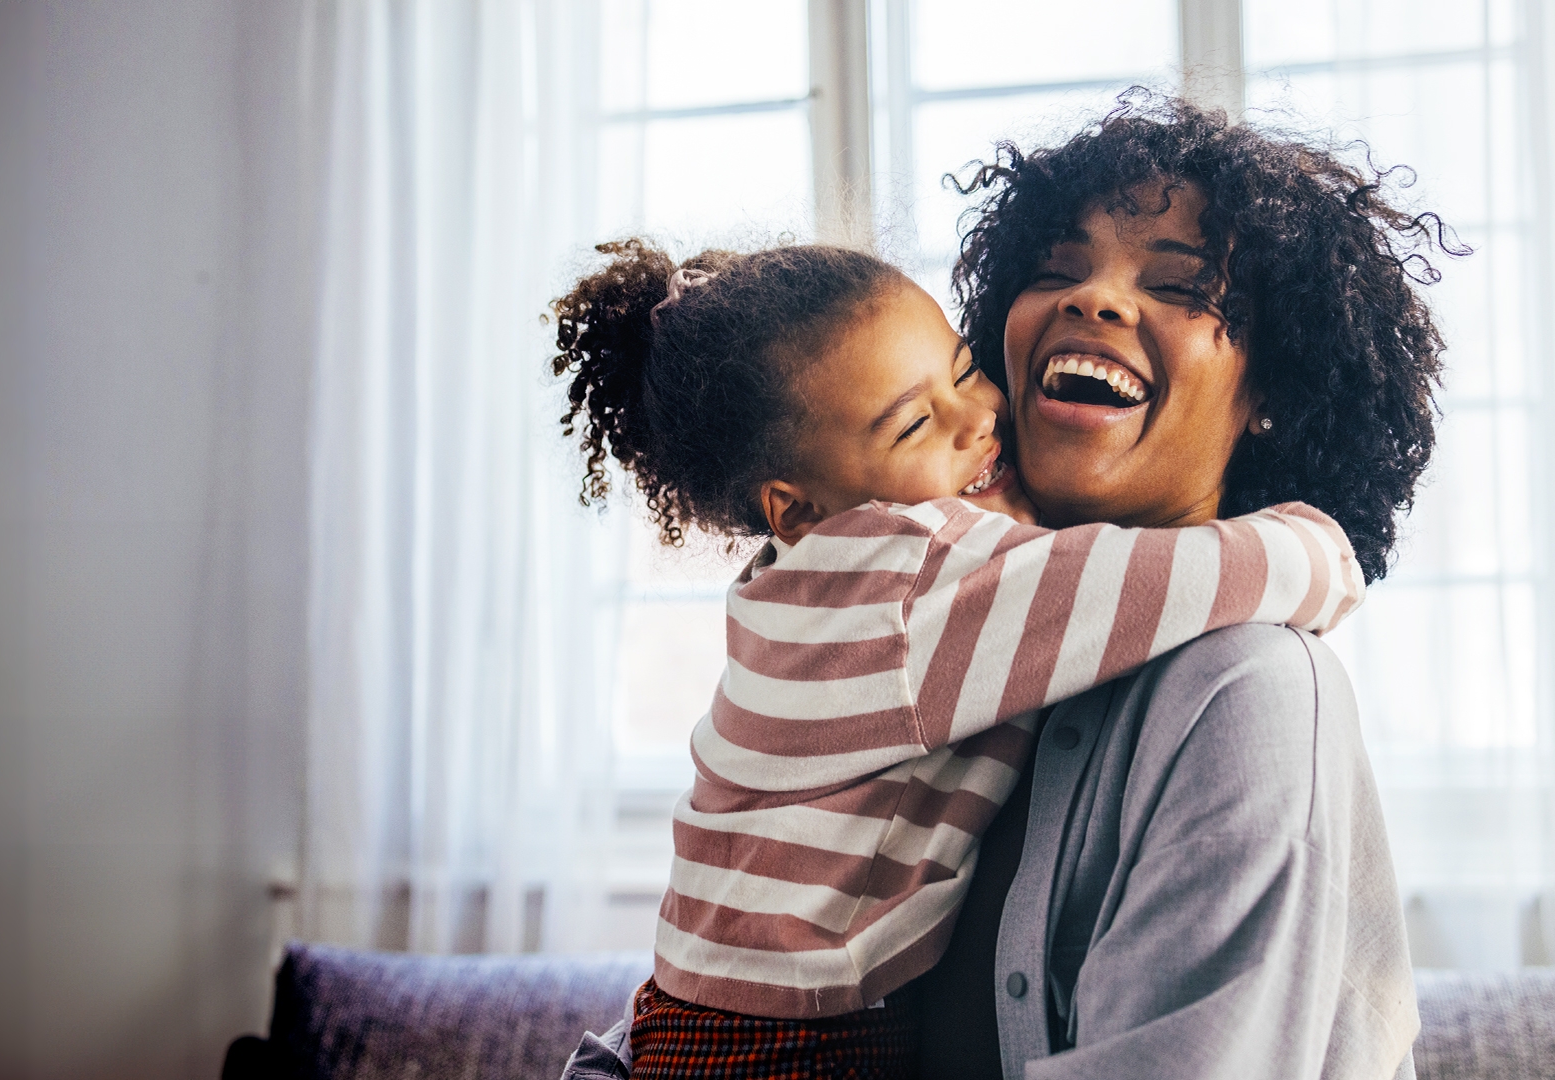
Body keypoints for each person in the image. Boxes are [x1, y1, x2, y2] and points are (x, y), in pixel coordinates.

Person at [564, 96, 1456, 1079]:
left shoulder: (1251, 689)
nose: (1096, 300)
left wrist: (1322, 548)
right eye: (1056, 269)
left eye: (1180, 284)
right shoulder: (926, 611)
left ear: (1276, 394)